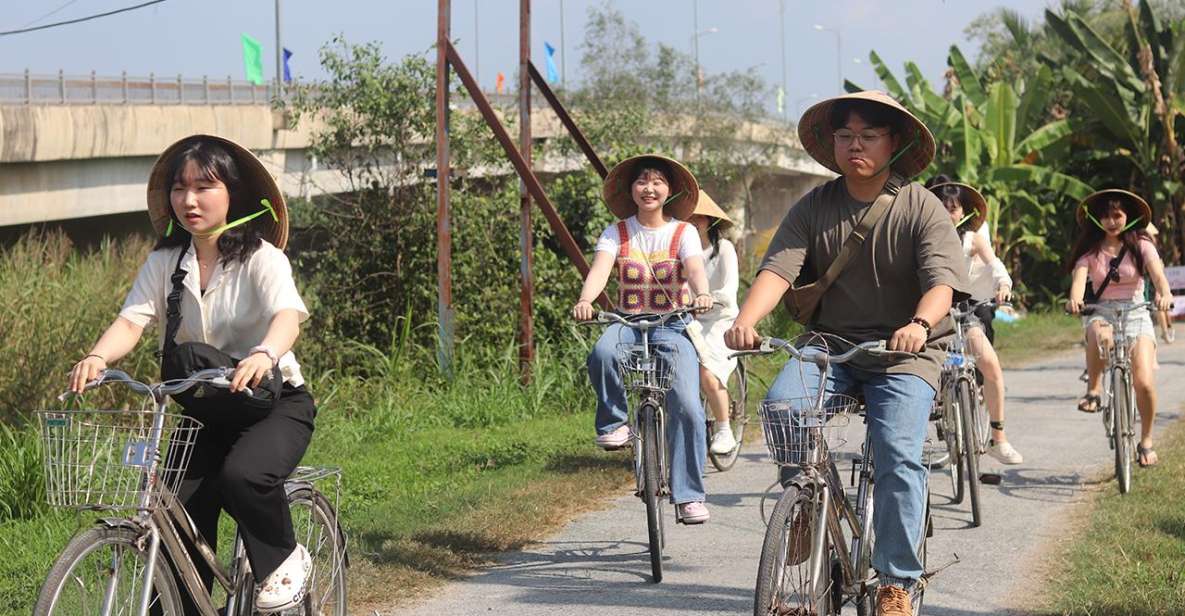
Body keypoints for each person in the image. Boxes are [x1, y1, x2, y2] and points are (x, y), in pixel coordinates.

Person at [725, 91, 969, 616]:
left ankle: (897, 581)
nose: (854, 144)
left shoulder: (921, 206)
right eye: (845, 135)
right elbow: (777, 272)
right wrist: (746, 319)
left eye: (868, 135)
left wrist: (920, 324)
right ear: (831, 142)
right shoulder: (814, 206)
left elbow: (942, 283)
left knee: (897, 453)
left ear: (893, 142)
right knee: (784, 409)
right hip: (830, 346)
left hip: (906, 352)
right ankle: (806, 507)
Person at [68, 134, 315, 613]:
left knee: (242, 475)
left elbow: (287, 316)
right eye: (179, 189)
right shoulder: (165, 263)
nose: (189, 199)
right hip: (206, 411)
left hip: (274, 407)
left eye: (204, 187)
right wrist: (98, 357)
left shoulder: (262, 258)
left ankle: (286, 559)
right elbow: (130, 322)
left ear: (234, 195)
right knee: (176, 506)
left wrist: (264, 352)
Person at [573, 154, 714, 524]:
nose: (649, 189)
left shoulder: (684, 233)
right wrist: (586, 300)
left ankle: (689, 497)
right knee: (603, 352)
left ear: (670, 190)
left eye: (657, 182)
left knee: (686, 401)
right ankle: (614, 424)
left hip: (672, 325)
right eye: (641, 182)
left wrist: (702, 293)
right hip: (628, 322)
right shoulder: (615, 233)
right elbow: (600, 270)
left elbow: (696, 270)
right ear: (631, 190)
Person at [1065, 189, 1172, 468]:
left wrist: (1164, 294)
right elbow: (1079, 281)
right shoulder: (1090, 251)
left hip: (1137, 312)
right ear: (1096, 219)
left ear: (1128, 217)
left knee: (1144, 382)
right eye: (1105, 216)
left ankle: (1146, 440)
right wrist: (1075, 299)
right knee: (1100, 334)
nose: (1111, 221)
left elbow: (1158, 275)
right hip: (1102, 311)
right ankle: (1094, 390)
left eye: (1117, 215)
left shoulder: (1142, 245)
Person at [926, 177, 1022, 465]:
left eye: (953, 208)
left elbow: (995, 265)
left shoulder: (972, 239)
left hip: (964, 314)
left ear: (963, 212)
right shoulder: (920, 237)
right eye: (940, 207)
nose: (947, 213)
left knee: (990, 364)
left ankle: (999, 439)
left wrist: (1004, 285)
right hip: (929, 314)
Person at [685, 190, 741, 455]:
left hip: (720, 319)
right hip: (687, 318)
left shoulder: (724, 249)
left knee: (708, 372)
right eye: (688, 217)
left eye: (699, 217)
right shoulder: (680, 252)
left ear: (709, 221)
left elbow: (730, 288)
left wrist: (711, 298)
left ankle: (724, 428)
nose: (694, 221)